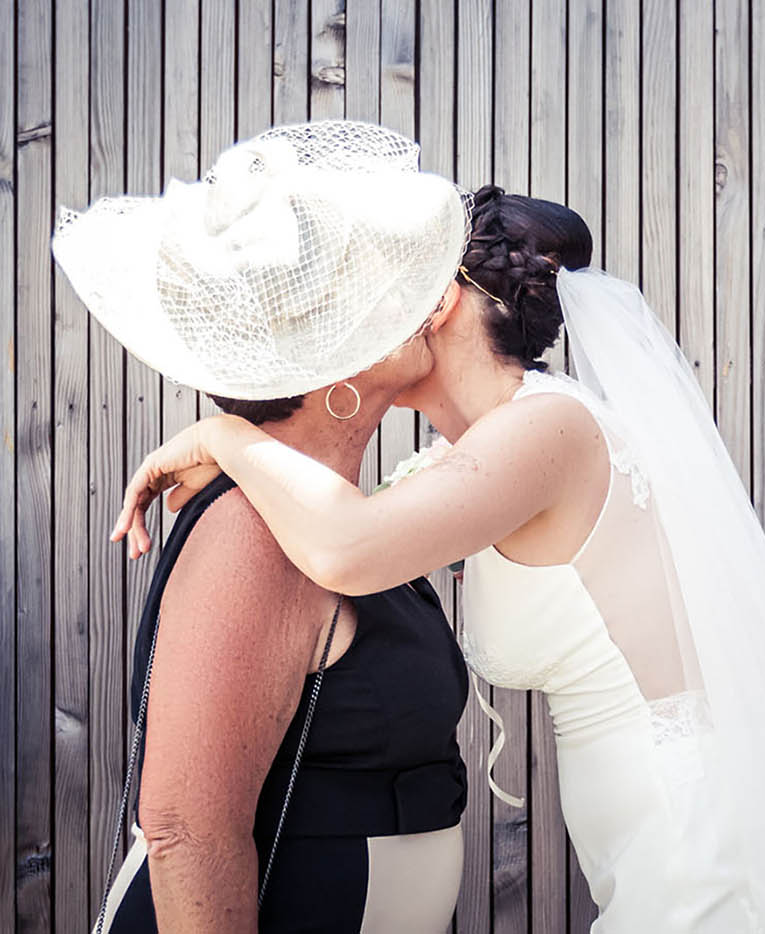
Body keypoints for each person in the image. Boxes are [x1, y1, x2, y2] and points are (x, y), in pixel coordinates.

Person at [107, 121, 765, 933]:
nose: (364, 315)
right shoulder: (474, 462)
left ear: (436, 303)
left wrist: (223, 435)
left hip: (696, 826)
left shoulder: (547, 431)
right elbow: (332, 516)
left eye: (386, 290)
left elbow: (346, 545)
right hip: (634, 826)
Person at [53, 123, 470, 933]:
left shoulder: (337, 516)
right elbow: (186, 831)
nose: (418, 301)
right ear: (331, 374)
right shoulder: (252, 532)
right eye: (379, 287)